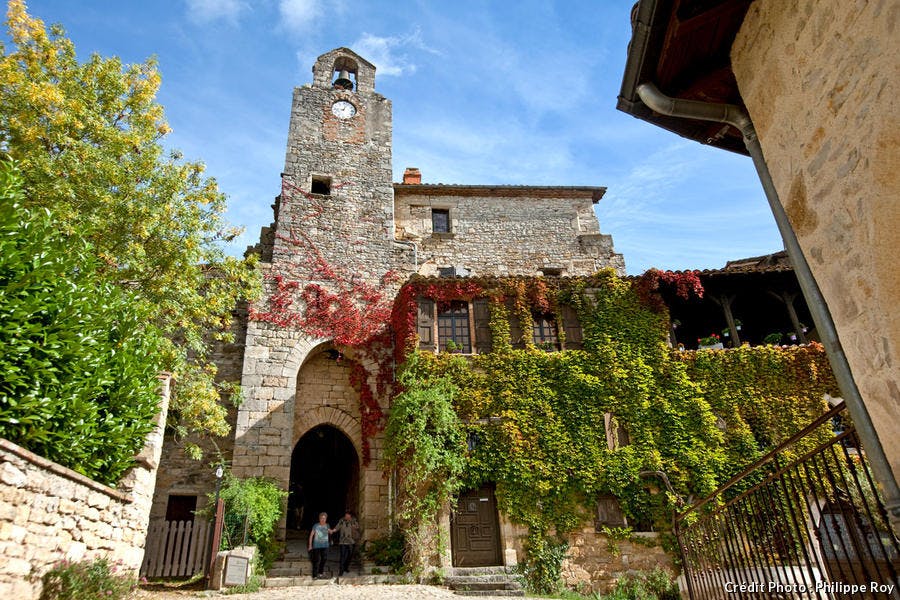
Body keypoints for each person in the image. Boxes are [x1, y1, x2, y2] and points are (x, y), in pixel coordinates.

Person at [333, 510, 361, 576]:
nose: (346, 516)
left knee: (350, 556)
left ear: (350, 516)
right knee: (342, 556)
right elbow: (337, 527)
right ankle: (341, 570)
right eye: (345, 515)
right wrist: (332, 530)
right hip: (343, 541)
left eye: (347, 515)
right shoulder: (342, 521)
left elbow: (357, 527)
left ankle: (345, 567)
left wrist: (352, 524)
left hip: (351, 541)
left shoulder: (353, 520)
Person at [307, 512, 333, 578]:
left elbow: (330, 532)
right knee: (316, 560)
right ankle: (314, 575)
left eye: (324, 518)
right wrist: (310, 545)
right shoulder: (316, 525)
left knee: (324, 559)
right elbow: (311, 535)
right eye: (321, 518)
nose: (323, 520)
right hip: (316, 546)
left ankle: (320, 572)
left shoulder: (327, 525)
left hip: (325, 546)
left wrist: (331, 532)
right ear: (319, 518)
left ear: (326, 519)